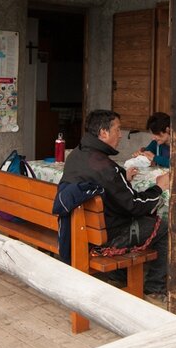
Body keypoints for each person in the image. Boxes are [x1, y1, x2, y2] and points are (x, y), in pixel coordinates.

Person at [63, 109, 168, 296]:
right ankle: (154, 287)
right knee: (165, 226)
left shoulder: (76, 155)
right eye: (117, 129)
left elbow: (111, 190)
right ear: (104, 133)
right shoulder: (106, 167)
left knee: (140, 220)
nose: (120, 135)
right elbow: (135, 205)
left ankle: (119, 276)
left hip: (81, 231)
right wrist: (159, 187)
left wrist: (123, 179)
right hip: (106, 239)